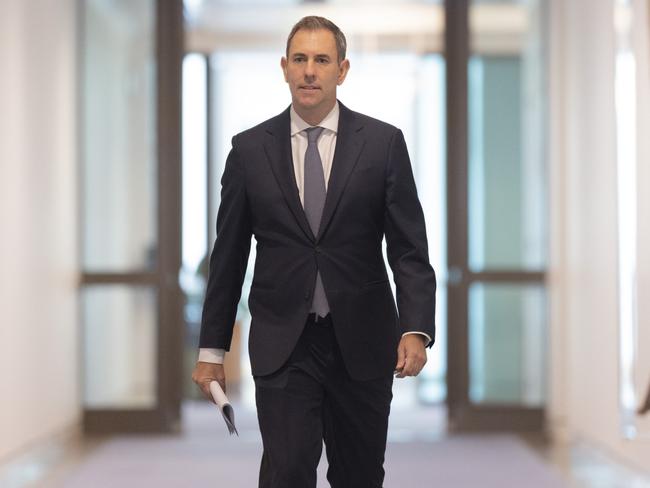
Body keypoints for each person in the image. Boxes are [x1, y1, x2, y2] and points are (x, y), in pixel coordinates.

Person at [192, 15, 436, 488]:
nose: (309, 71)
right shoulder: (248, 151)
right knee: (286, 472)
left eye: (321, 60)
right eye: (300, 59)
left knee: (360, 474)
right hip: (284, 343)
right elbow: (229, 258)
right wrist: (211, 348)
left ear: (342, 70)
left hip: (363, 342)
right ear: (283, 67)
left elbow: (408, 248)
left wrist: (416, 328)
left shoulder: (383, 144)